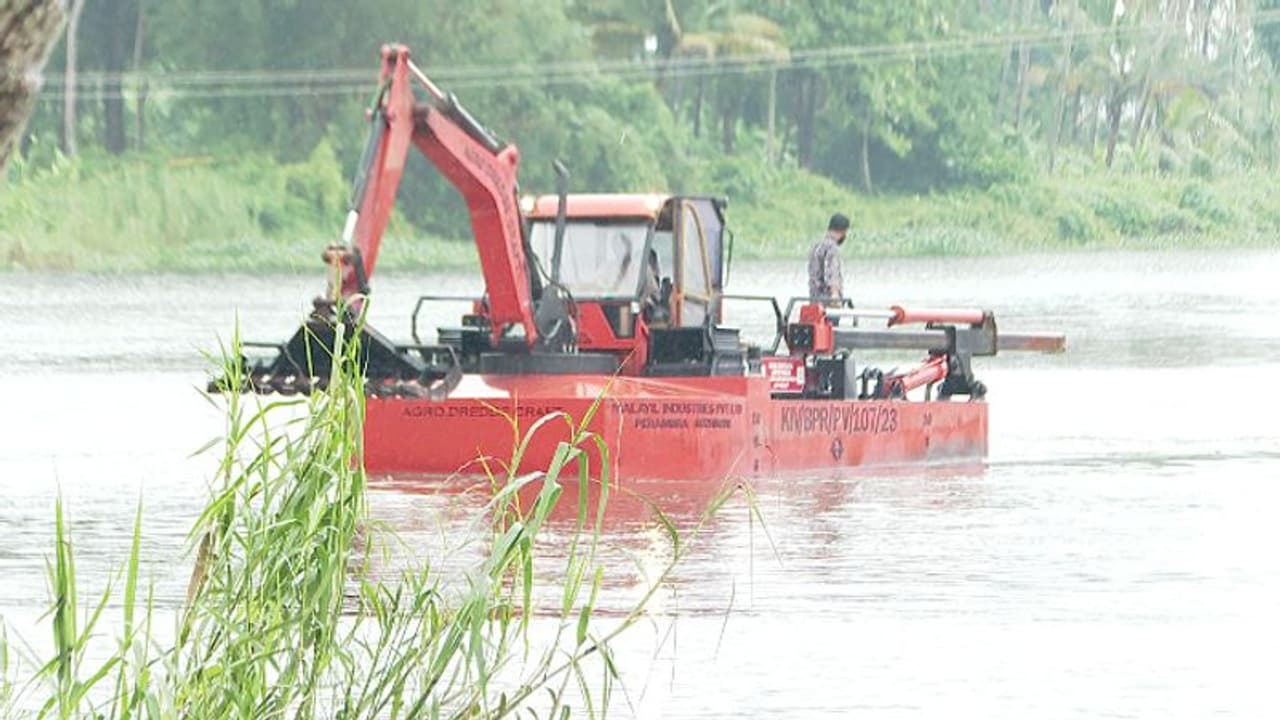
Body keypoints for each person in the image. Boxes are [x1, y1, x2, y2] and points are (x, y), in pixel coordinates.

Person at [807, 213, 850, 303]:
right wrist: (835, 294)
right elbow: (832, 272)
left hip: (814, 300)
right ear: (843, 232)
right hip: (827, 302)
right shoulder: (832, 248)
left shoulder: (817, 246)